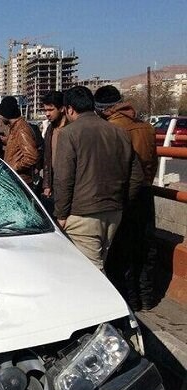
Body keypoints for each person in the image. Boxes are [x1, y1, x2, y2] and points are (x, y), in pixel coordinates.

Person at [54, 86, 143, 272]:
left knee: (90, 271)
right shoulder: (119, 132)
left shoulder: (69, 134)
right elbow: (136, 176)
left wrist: (61, 215)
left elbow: (64, 178)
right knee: (101, 261)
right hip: (114, 211)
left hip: (83, 214)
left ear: (69, 109)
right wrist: (122, 203)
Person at [95, 85, 158, 310]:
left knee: (122, 249)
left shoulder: (111, 130)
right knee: (144, 245)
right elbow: (152, 164)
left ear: (102, 109)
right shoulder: (146, 128)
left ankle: (129, 300)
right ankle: (147, 297)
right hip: (145, 192)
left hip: (122, 194)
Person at [0, 96, 39, 185]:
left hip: (20, 181)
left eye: (1, 115)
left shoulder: (21, 129)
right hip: (15, 179)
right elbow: (16, 145)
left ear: (6, 114)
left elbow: (31, 157)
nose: (0, 118)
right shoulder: (14, 128)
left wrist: (13, 167)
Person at [41, 91, 67, 212]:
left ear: (61, 108)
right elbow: (47, 159)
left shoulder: (71, 129)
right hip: (54, 184)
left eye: (50, 110)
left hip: (67, 183)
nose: (47, 114)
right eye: (45, 110)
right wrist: (47, 185)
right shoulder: (50, 130)